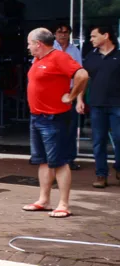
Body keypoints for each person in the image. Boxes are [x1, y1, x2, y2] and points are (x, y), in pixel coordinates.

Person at [22, 28, 90, 218]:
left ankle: (64, 204)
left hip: (54, 118)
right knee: (43, 161)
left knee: (59, 162)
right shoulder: (38, 59)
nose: (28, 47)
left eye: (29, 43)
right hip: (37, 117)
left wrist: (72, 96)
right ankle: (44, 200)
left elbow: (82, 75)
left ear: (38, 44)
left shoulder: (59, 57)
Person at [79, 25, 120, 188]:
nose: (91, 39)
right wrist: (80, 100)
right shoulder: (90, 57)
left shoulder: (119, 55)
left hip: (117, 104)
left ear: (106, 35)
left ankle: (118, 167)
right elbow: (83, 80)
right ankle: (101, 174)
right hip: (96, 105)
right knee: (98, 141)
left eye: (94, 36)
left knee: (119, 138)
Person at [55, 23, 83, 170]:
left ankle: (69, 159)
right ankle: (54, 158)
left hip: (70, 91)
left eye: (66, 32)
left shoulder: (74, 50)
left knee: (70, 127)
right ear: (54, 33)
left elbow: (81, 74)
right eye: (60, 31)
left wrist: (78, 97)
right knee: (54, 127)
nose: (63, 35)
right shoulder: (49, 48)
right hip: (54, 92)